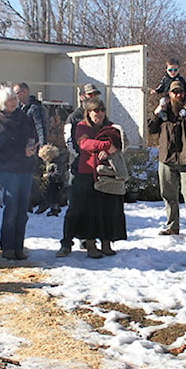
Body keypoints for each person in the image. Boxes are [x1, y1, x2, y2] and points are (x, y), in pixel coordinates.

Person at [67, 97, 127, 258]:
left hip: (108, 174)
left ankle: (106, 242)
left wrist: (111, 150)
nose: (99, 114)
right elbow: (84, 144)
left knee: (108, 210)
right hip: (87, 174)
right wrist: (106, 146)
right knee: (90, 211)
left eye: (102, 110)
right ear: (88, 112)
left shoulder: (111, 127)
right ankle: (91, 244)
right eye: (95, 110)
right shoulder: (81, 126)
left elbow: (120, 142)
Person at [0, 87, 39, 260]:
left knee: (23, 209)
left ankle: (19, 246)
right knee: (11, 207)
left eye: (15, 99)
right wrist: (20, 151)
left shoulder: (24, 118)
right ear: (2, 102)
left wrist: (32, 148)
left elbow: (33, 136)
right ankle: (7, 246)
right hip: (7, 168)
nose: (13, 102)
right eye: (9, 100)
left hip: (25, 167)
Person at [148, 80, 186, 237]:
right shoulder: (163, 110)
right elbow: (151, 129)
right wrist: (156, 113)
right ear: (169, 94)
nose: (178, 95)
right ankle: (173, 226)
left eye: (180, 92)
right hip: (166, 158)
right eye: (175, 92)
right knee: (168, 195)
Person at [57, 83, 101, 256]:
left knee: (92, 208)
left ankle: (88, 240)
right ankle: (66, 243)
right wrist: (81, 157)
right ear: (82, 97)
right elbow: (69, 143)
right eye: (90, 95)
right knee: (74, 207)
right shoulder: (73, 118)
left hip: (95, 171)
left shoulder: (98, 116)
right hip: (78, 169)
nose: (93, 98)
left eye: (95, 95)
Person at [13, 82, 47, 146]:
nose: (15, 96)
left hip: (33, 144)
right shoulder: (18, 108)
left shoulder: (35, 108)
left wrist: (42, 144)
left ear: (25, 92)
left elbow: (40, 127)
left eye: (16, 93)